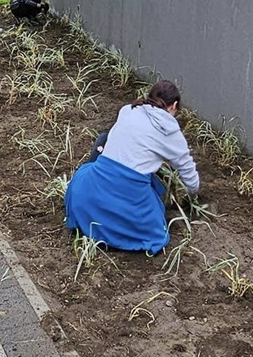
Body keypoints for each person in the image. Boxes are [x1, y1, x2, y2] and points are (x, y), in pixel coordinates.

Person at [64, 80, 200, 255]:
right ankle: (118, 229)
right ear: (174, 106)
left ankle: (92, 214)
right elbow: (187, 170)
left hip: (94, 183)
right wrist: (193, 194)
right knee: (156, 228)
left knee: (102, 141)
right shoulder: (170, 133)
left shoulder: (128, 110)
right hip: (128, 187)